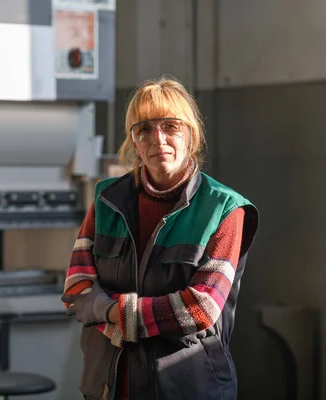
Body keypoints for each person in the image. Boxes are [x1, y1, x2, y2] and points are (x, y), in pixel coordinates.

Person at [61, 76, 259, 400]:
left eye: (171, 126)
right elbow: (77, 287)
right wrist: (134, 315)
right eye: (144, 129)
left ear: (191, 135)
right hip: (109, 387)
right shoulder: (106, 199)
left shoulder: (224, 209)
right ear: (133, 142)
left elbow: (200, 306)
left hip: (186, 389)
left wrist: (113, 314)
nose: (158, 139)